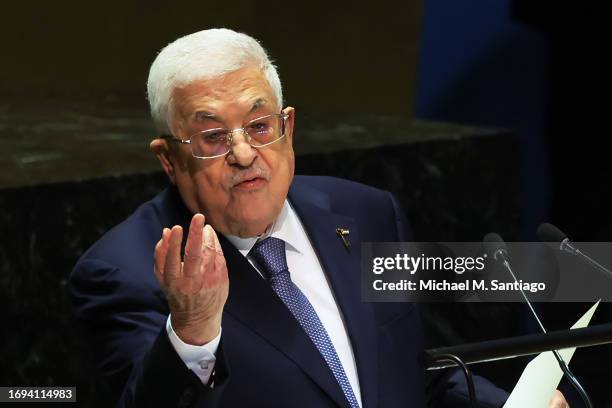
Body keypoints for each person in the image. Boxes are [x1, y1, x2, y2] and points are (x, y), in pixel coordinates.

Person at [70, 29, 568, 408]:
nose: (244, 153)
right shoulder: (125, 271)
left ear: (288, 128)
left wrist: (508, 403)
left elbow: (414, 369)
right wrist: (194, 330)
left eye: (260, 126)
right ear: (168, 159)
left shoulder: (367, 212)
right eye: (213, 138)